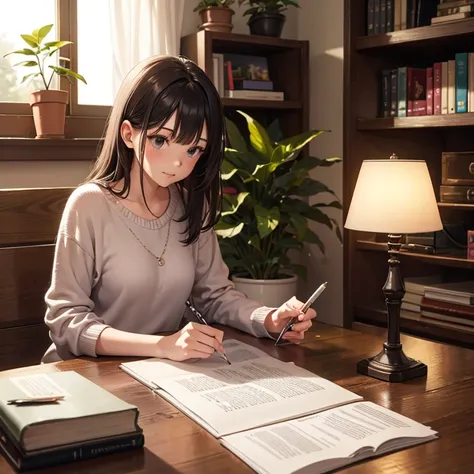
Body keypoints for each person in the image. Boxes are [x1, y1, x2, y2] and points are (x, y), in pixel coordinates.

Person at [42, 55, 316, 364]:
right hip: (85, 375)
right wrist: (160, 346)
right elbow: (65, 320)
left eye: (193, 149)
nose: (177, 163)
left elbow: (214, 296)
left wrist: (270, 319)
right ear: (129, 134)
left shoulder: (192, 206)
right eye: (161, 140)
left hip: (162, 374)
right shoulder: (89, 205)